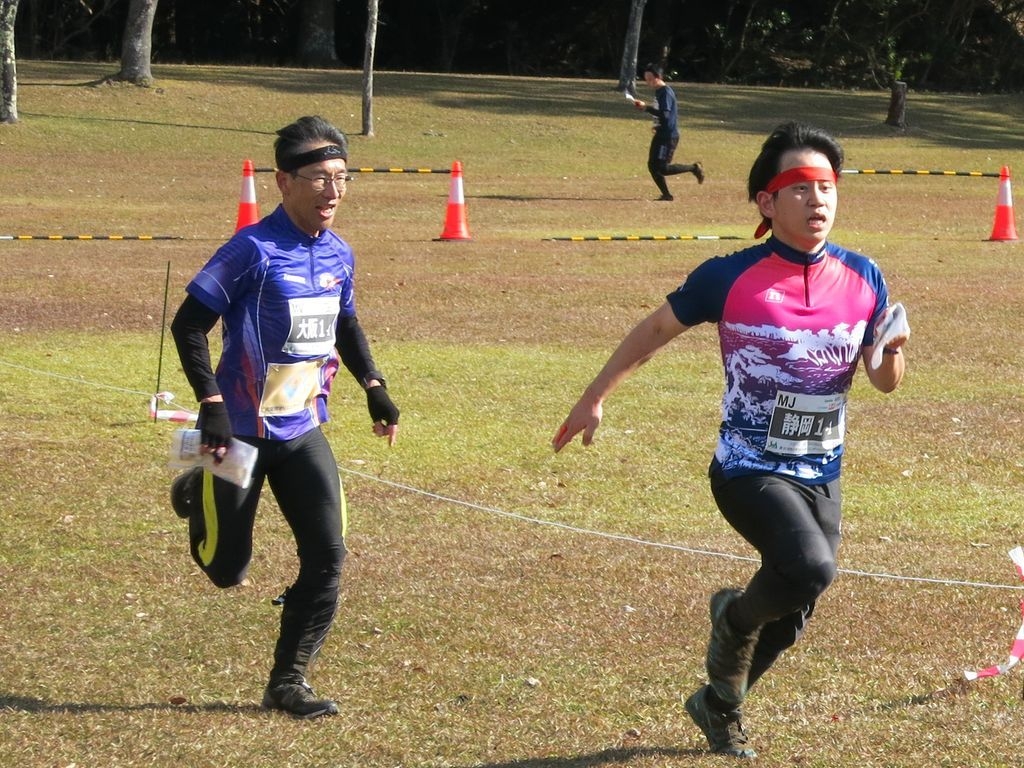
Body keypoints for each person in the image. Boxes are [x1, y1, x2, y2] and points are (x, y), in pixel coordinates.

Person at [552, 122, 907, 757]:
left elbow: (884, 380)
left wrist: (892, 350)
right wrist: (594, 396)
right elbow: (654, 330)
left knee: (795, 608)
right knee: (809, 567)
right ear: (767, 202)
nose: (817, 200)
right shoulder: (730, 276)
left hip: (821, 469)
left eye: (827, 186)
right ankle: (733, 618)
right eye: (800, 187)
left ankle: (717, 706)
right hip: (748, 467)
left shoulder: (864, 275)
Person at [169, 115, 400, 719]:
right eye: (320, 178)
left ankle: (288, 681)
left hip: (300, 430)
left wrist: (374, 386)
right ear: (284, 182)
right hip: (237, 433)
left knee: (329, 556)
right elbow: (188, 325)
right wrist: (213, 405)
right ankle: (197, 481)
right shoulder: (251, 250)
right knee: (226, 570)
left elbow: (344, 323)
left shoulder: (340, 253)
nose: (333, 191)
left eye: (342, 178)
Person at [632, 63, 704, 201]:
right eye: (646, 79)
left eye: (650, 79)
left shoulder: (665, 92)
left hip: (668, 136)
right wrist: (657, 125)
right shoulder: (659, 91)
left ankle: (694, 168)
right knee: (652, 166)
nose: (648, 82)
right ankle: (666, 195)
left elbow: (665, 114)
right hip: (661, 133)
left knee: (662, 168)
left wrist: (646, 108)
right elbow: (664, 116)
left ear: (658, 77)